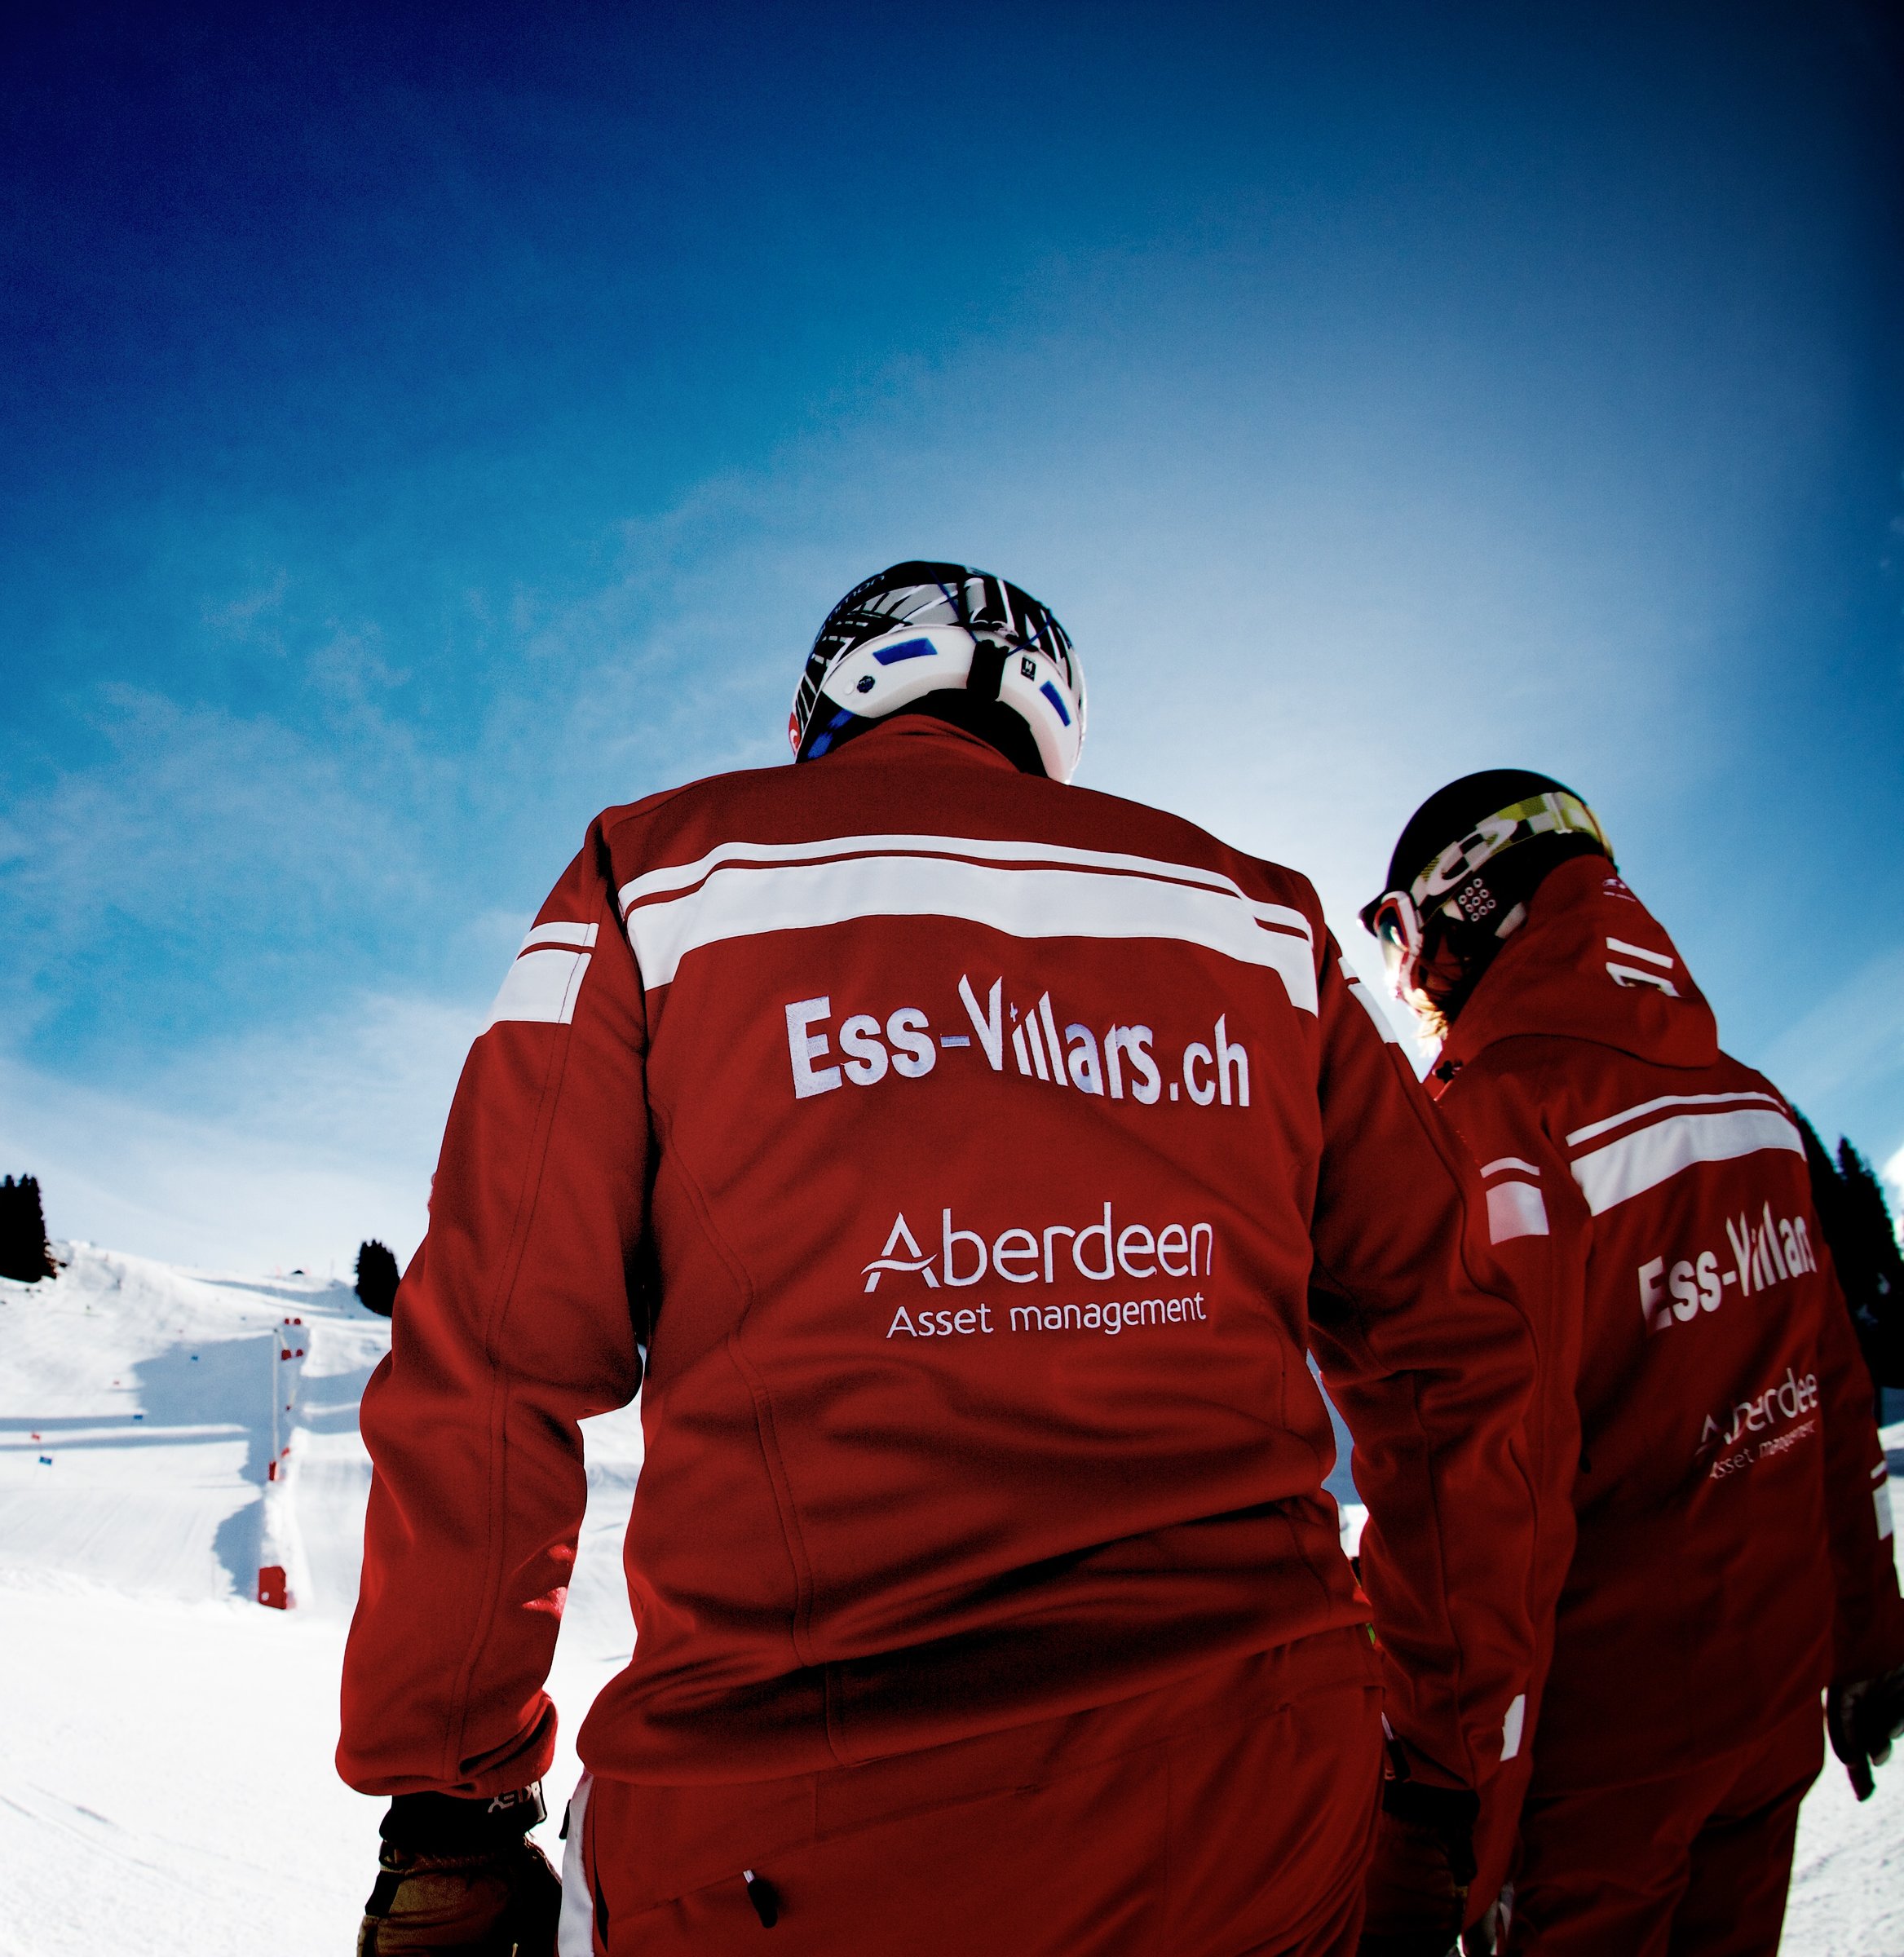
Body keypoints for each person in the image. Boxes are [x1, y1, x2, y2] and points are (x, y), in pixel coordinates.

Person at [340, 563, 1545, 1956]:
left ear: (834, 695)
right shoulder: (1265, 924)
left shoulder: (657, 874)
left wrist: (450, 1807)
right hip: (1263, 1804)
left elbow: (493, 1360)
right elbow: (1453, 1362)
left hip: (784, 1847)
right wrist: (1447, 1779)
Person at [1358, 770, 1904, 1953]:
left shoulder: (1497, 1118)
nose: (1408, 969)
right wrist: (1870, 1646)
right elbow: (1835, 1406)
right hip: (1769, 1722)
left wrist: (1456, 1823)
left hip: (1593, 1772)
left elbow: (1482, 1494)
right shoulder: (1752, 1107)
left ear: (1472, 898)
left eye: (1404, 927)